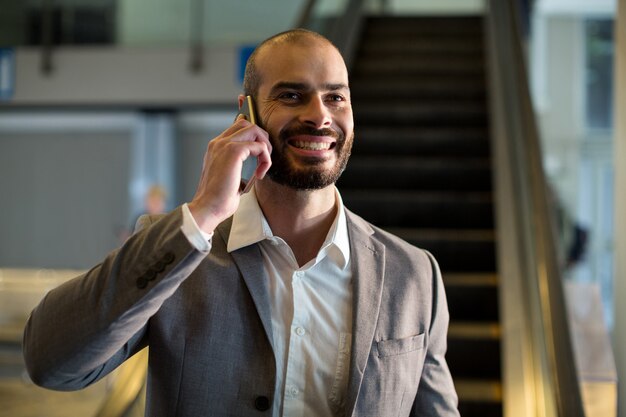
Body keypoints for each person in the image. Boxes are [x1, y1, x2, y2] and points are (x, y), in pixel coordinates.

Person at [23, 29, 460, 417]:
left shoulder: (414, 274)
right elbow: (52, 362)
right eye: (291, 95)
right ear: (247, 112)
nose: (319, 115)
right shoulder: (179, 252)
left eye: (335, 96)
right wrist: (202, 214)